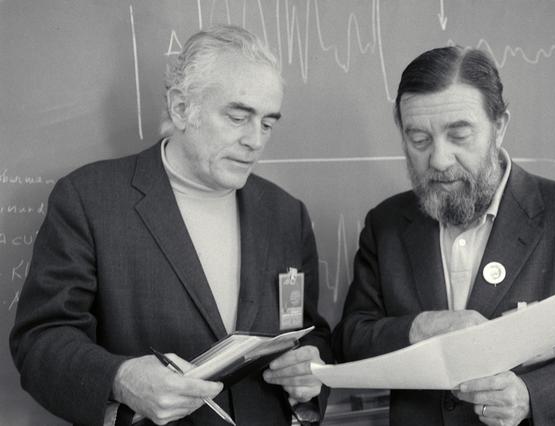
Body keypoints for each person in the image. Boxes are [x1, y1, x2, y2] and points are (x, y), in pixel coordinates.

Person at [10, 25, 331, 426]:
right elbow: (41, 340)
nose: (256, 140)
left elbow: (310, 332)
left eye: (267, 124)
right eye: (238, 117)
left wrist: (311, 370)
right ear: (181, 108)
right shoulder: (89, 199)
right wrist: (120, 379)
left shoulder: (286, 214)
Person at [332, 46, 555, 426]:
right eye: (419, 139)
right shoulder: (386, 224)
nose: (439, 160)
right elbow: (351, 339)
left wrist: (530, 396)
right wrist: (418, 328)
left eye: (459, 135)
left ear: (500, 126)